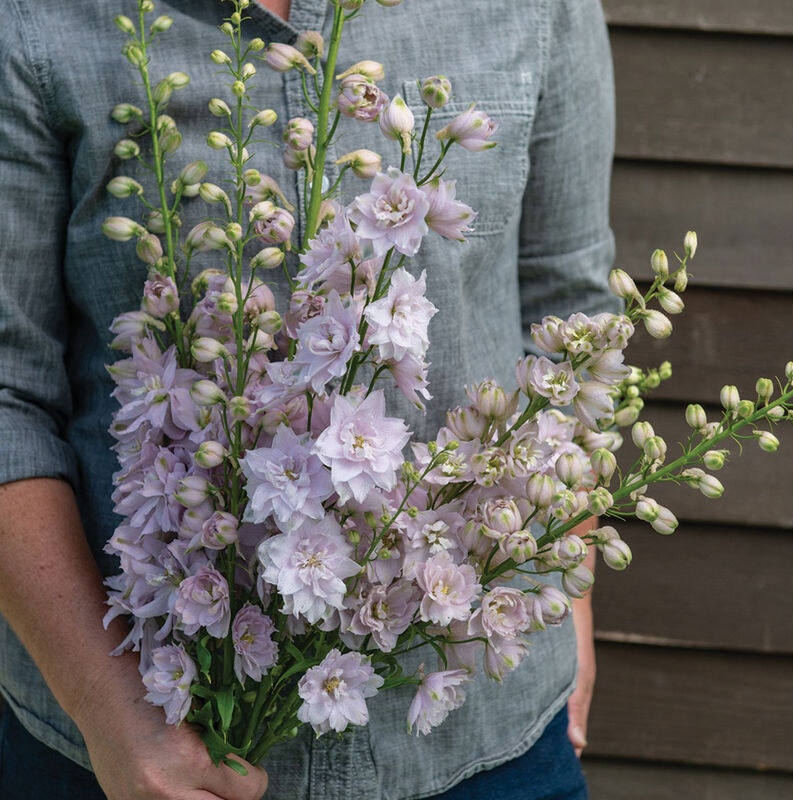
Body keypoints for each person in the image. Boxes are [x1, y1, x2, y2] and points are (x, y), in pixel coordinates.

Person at [0, 0, 615, 797]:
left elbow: (572, 319)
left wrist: (570, 581)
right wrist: (110, 712)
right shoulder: (38, 22)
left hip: (478, 734)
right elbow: (9, 393)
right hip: (124, 745)